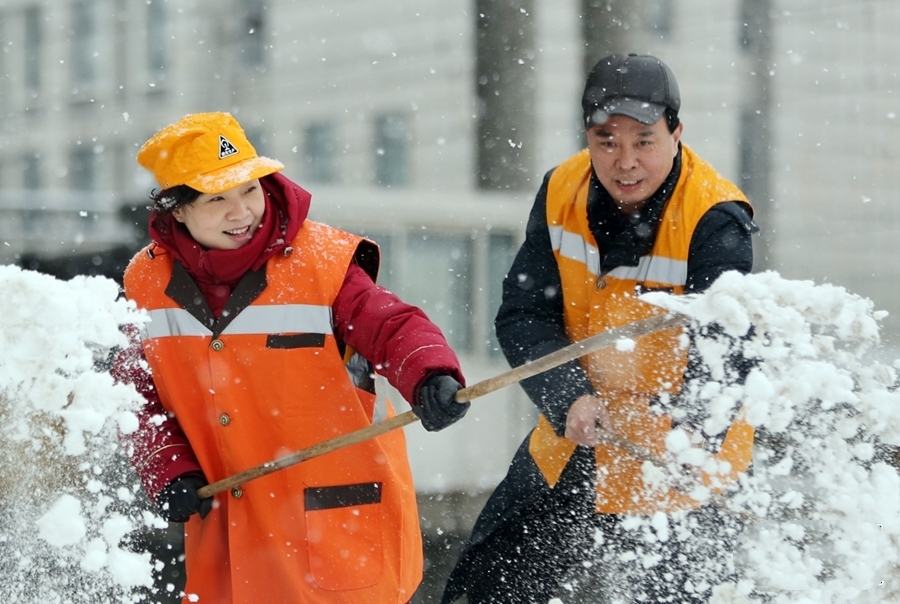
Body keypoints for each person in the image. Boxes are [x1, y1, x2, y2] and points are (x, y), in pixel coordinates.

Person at [112, 111, 470, 604]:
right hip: (227, 536)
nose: (242, 212)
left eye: (249, 190)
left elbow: (391, 323)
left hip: (334, 531)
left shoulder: (323, 262)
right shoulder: (144, 283)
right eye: (217, 199)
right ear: (177, 211)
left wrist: (430, 375)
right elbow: (132, 393)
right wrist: (166, 467)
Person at [443, 54, 758, 603]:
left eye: (644, 139)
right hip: (579, 430)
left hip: (678, 460)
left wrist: (685, 446)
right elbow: (525, 314)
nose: (625, 161)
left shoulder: (715, 218)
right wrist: (569, 398)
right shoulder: (561, 189)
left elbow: (727, 361)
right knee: (492, 583)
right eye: (606, 140)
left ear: (677, 133)